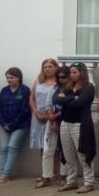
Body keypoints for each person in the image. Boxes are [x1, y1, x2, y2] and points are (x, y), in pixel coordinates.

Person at [53, 62, 97, 193]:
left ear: (81, 73)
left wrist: (66, 98)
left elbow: (80, 103)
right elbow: (55, 99)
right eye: (70, 72)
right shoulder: (68, 87)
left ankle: (89, 182)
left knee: (83, 154)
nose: (71, 75)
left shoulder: (89, 87)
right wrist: (72, 97)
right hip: (65, 123)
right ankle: (71, 181)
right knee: (68, 154)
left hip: (80, 124)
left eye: (74, 72)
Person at [0, 67, 31, 184]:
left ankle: (6, 175)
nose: (9, 80)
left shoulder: (25, 91)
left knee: (12, 147)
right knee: (3, 149)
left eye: (12, 77)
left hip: (20, 125)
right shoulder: (4, 91)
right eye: (7, 78)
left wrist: (12, 124)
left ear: (18, 78)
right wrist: (3, 123)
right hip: (4, 125)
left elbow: (25, 110)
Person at [29, 58, 59, 189]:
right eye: (45, 67)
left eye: (50, 66)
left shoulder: (59, 83)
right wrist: (36, 112)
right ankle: (45, 173)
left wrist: (50, 116)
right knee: (42, 146)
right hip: (38, 117)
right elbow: (31, 98)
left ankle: (54, 172)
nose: (47, 69)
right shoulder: (38, 81)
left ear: (55, 68)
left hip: (52, 117)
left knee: (53, 147)